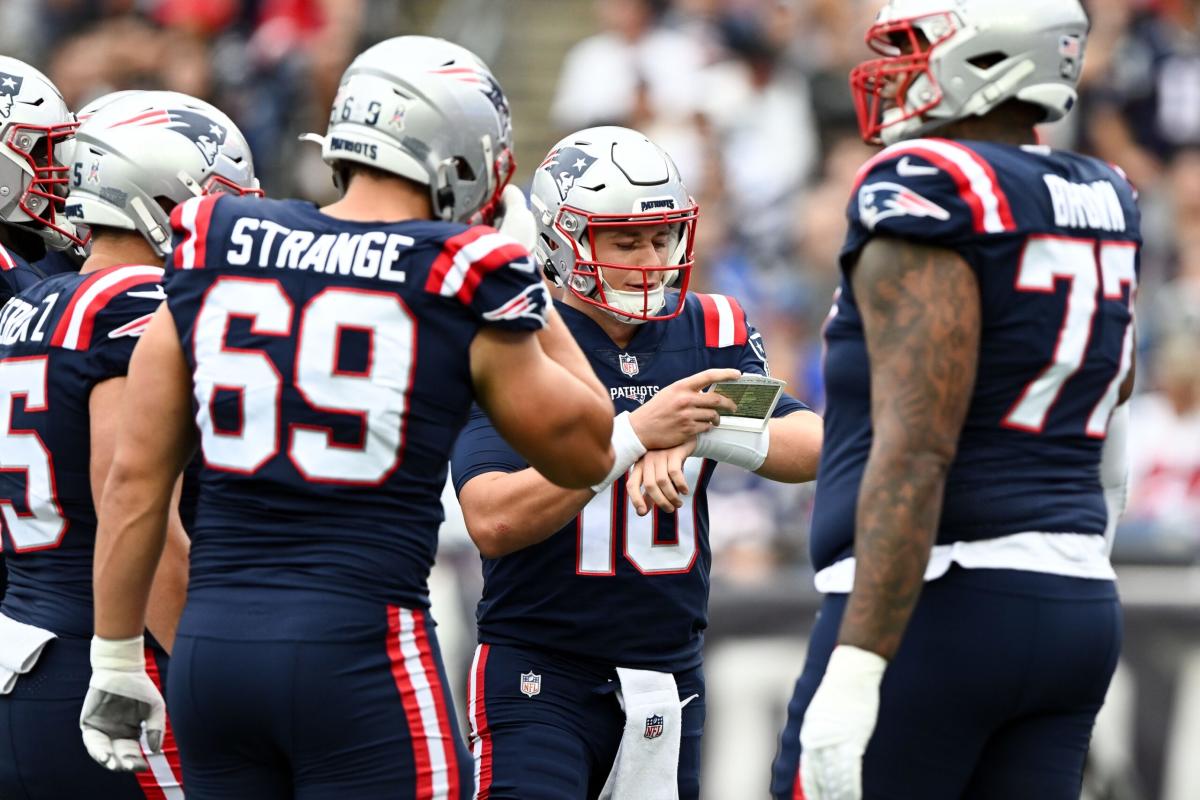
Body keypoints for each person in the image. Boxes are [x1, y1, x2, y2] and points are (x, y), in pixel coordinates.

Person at [79, 36, 616, 800]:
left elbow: (132, 482)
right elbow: (588, 451)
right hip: (361, 651)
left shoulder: (218, 244)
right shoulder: (457, 273)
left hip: (214, 654)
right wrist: (524, 284)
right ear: (464, 157)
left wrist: (116, 657)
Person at [769, 2, 1140, 799]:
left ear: (988, 53)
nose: (894, 69)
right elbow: (1112, 420)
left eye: (912, 46)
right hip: (1074, 596)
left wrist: (860, 664)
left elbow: (921, 446)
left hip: (937, 606)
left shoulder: (933, 185)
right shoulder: (1103, 192)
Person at [451, 126, 822, 800]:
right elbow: (492, 519)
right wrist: (628, 439)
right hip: (541, 674)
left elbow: (812, 443)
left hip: (668, 678)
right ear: (562, 240)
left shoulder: (713, 330)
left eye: (660, 237)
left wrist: (696, 432)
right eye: (624, 240)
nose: (650, 258)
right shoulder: (519, 339)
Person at [0, 88, 259, 800]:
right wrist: (208, 685)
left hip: (22, 645)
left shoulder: (26, 306)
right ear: (163, 201)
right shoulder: (139, 307)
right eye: (226, 203)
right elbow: (137, 510)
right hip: (109, 664)